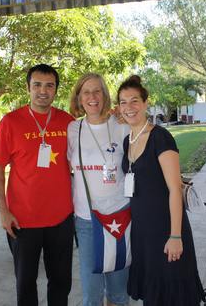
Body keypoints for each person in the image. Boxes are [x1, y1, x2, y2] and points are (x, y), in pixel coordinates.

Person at [0, 64, 75, 306]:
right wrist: (3, 211)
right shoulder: (11, 122)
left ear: (56, 90)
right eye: (37, 85)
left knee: (61, 281)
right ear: (28, 87)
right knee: (25, 283)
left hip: (61, 218)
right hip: (22, 220)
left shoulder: (68, 122)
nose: (43, 91)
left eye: (49, 85)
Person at [117, 75, 206, 306]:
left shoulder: (160, 137)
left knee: (173, 294)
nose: (129, 107)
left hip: (166, 228)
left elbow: (175, 189)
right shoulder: (128, 140)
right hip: (142, 232)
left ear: (146, 103)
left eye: (134, 100)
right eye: (123, 102)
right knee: (154, 295)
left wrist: (175, 236)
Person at [67, 73, 130, 306]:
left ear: (105, 95)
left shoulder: (122, 126)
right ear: (79, 98)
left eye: (97, 91)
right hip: (86, 220)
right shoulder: (73, 129)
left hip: (120, 217)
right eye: (86, 92)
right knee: (92, 295)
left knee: (118, 293)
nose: (92, 97)